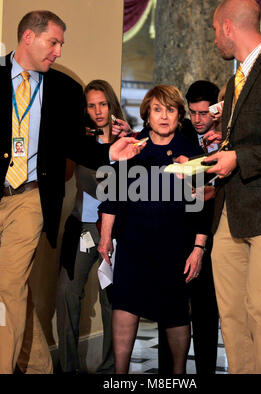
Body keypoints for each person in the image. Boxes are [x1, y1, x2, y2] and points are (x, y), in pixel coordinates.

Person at [0, 10, 143, 374]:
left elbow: (75, 146)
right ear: (28, 38)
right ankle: (39, 367)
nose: (59, 52)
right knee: (13, 290)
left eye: (61, 44)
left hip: (29, 198)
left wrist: (110, 152)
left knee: (8, 285)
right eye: (54, 42)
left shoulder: (64, 90)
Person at [202, 0, 261, 374]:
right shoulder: (234, 80)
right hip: (231, 210)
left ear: (228, 27)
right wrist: (216, 154)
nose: (214, 39)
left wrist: (240, 157)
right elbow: (249, 139)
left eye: (214, 30)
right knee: (231, 309)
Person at [98, 85, 213, 374]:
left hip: (175, 247)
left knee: (175, 315)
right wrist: (105, 237)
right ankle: (119, 376)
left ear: (179, 116)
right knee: (125, 305)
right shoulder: (132, 145)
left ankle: (178, 375)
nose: (164, 116)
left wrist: (198, 250)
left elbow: (201, 208)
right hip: (134, 244)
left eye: (171, 110)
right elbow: (114, 195)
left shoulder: (191, 151)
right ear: (147, 115)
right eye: (158, 109)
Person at [56, 80, 125, 374]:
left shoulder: (127, 140)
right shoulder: (80, 140)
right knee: (66, 293)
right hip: (82, 225)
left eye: (103, 104)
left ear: (111, 106)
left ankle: (109, 368)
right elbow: (66, 175)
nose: (98, 111)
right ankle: (69, 366)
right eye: (91, 105)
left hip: (116, 229)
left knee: (113, 300)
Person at [158, 80, 220, 375]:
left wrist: (212, 189)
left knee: (207, 312)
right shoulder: (179, 136)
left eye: (204, 113)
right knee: (170, 311)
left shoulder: (227, 139)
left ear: (216, 112)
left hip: (214, 237)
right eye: (193, 113)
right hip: (178, 234)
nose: (198, 120)